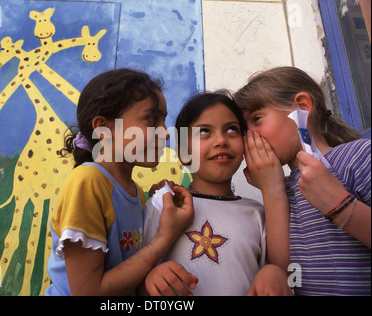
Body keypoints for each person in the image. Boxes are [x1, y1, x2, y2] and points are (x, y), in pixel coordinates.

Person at [45, 68, 194, 296]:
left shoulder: (135, 193)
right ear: (103, 128)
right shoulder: (88, 182)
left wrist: (154, 208)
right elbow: (88, 292)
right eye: (151, 118)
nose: (165, 133)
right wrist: (165, 236)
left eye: (164, 120)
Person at [234, 66, 371, 296]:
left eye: (256, 119)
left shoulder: (358, 156)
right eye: (243, 130)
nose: (250, 137)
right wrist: (271, 188)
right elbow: (285, 274)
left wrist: (340, 205)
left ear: (302, 107)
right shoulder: (282, 190)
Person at [143, 92, 292, 296]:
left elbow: (281, 275)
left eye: (231, 129)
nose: (221, 140)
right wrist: (151, 280)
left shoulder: (257, 213)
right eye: (205, 131)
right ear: (184, 153)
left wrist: (273, 271)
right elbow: (136, 278)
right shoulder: (165, 204)